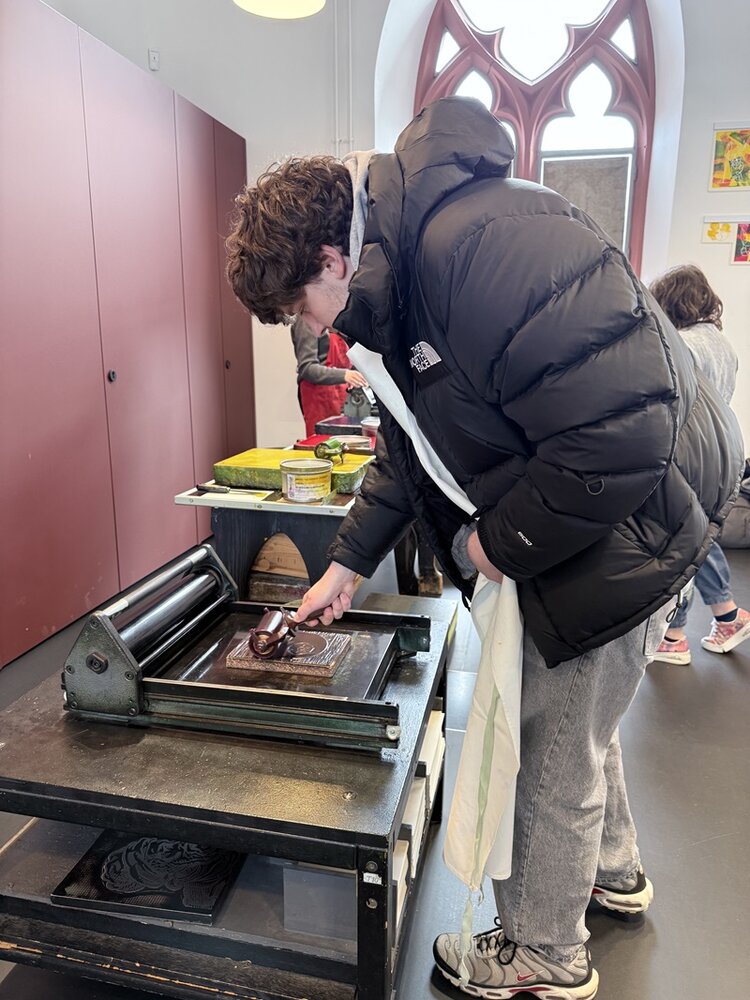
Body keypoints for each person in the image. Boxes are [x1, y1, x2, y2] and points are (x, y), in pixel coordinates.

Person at [226, 98, 743, 1000]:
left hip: (628, 515)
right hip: (607, 506)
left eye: (297, 306)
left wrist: (495, 548)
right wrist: (345, 565)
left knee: (550, 733)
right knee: (584, 718)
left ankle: (545, 953)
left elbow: (622, 434)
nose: (309, 329)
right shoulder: (397, 285)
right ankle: (611, 872)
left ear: (330, 259)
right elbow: (411, 448)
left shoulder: (477, 246)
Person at [648, 264, 750, 664]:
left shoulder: (683, 345)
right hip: (722, 455)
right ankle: (725, 615)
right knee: (697, 536)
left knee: (682, 540)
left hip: (689, 456)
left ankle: (675, 634)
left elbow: (673, 406)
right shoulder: (722, 345)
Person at [290, 318, 367, 436]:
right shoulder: (305, 321)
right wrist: (344, 374)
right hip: (318, 397)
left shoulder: (334, 318)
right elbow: (307, 368)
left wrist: (355, 373)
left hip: (343, 395)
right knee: (323, 444)